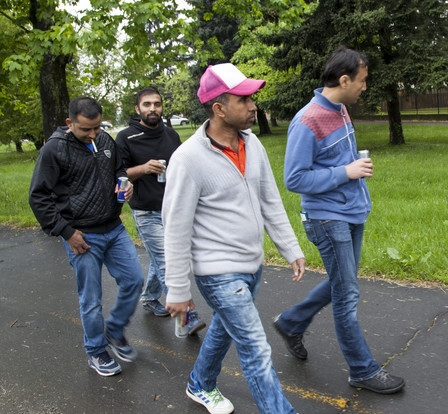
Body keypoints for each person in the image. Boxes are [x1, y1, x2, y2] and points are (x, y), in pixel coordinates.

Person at [163, 63, 306, 414]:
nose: (253, 105)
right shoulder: (188, 159)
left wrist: (290, 248)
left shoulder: (252, 143)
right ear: (218, 108)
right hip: (217, 273)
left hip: (251, 265)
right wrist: (178, 290)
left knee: (226, 329)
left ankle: (200, 383)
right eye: (244, 99)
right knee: (256, 347)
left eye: (252, 97)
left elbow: (269, 199)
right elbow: (175, 227)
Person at [275, 46, 406, 395]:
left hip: (351, 212)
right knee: (347, 293)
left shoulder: (341, 109)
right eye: (362, 80)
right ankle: (362, 370)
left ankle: (291, 322)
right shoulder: (307, 120)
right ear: (344, 79)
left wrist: (353, 172)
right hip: (326, 218)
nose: (365, 86)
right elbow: (294, 179)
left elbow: (336, 163)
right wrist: (346, 172)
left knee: (342, 283)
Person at [29, 97, 144, 376]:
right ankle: (95, 351)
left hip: (113, 227)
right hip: (81, 235)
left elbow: (118, 168)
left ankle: (114, 330)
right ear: (70, 123)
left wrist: (124, 185)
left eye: (97, 127)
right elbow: (38, 197)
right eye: (85, 130)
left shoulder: (105, 140)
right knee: (91, 299)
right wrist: (67, 233)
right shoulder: (54, 150)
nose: (93, 134)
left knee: (134, 280)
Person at [116, 86, 206, 334]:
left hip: (173, 208)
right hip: (146, 210)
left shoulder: (170, 134)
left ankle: (148, 297)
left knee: (162, 258)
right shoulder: (125, 137)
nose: (152, 109)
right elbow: (119, 174)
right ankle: (186, 319)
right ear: (138, 109)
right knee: (168, 261)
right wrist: (143, 169)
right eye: (147, 104)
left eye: (157, 104)